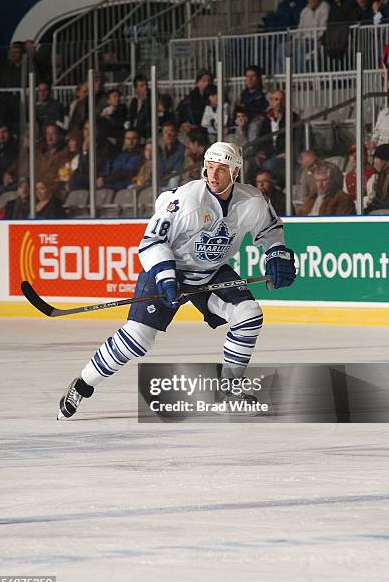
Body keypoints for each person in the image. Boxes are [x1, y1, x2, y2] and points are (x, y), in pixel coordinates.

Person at [57, 142, 296, 419]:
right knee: (138, 339)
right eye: (209, 168)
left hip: (211, 271)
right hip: (170, 269)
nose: (213, 175)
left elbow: (270, 230)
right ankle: (83, 384)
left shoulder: (252, 201)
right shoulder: (186, 200)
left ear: (236, 171)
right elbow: (152, 241)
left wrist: (276, 255)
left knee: (249, 314)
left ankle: (228, 391)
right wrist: (167, 278)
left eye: (221, 169)